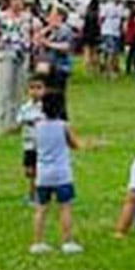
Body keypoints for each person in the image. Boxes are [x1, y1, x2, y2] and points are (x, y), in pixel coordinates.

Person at [28, 94, 82, 255]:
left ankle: (37, 242)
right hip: (62, 174)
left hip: (43, 175)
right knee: (65, 208)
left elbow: (35, 147)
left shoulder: (37, 126)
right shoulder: (63, 126)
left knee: (41, 209)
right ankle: (67, 241)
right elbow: (74, 144)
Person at [0, 0, 38, 135]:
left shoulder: (29, 18)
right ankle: (1, 124)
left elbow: (37, 32)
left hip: (22, 55)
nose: (18, 3)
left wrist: (33, 44)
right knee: (4, 90)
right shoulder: (0, 16)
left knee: (19, 90)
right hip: (5, 54)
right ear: (9, 2)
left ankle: (16, 123)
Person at [17, 76, 48, 202]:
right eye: (32, 88)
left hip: (42, 144)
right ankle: (32, 193)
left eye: (39, 88)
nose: (35, 91)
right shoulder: (25, 107)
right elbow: (19, 121)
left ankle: (38, 194)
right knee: (29, 171)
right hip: (29, 144)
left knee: (39, 170)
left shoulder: (46, 107)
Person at [98, 0, 128, 78]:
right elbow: (101, 18)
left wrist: (122, 29)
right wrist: (102, 29)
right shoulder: (107, 6)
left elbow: (123, 18)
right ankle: (109, 71)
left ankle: (108, 68)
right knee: (110, 51)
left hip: (116, 32)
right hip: (107, 31)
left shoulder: (121, 7)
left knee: (113, 52)